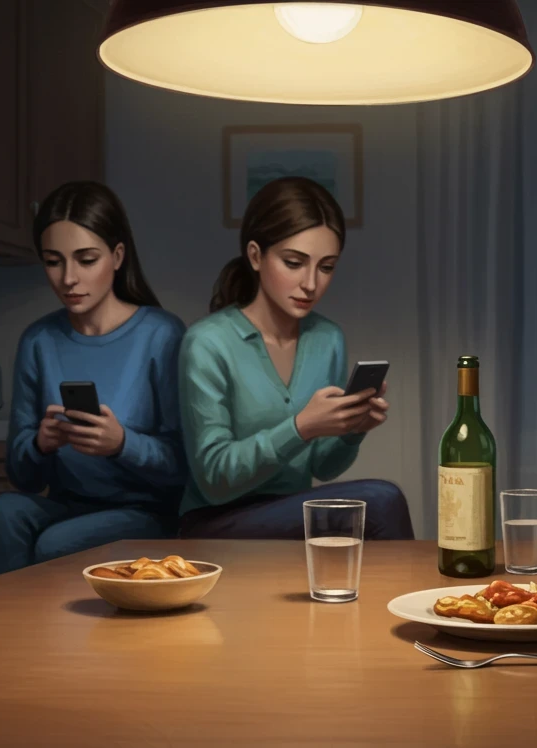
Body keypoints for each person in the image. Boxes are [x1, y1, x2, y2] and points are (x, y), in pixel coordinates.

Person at [176, 176, 414, 539]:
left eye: (326, 267)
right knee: (382, 500)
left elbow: (323, 465)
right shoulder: (208, 342)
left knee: (378, 503)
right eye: (293, 262)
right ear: (255, 256)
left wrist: (352, 430)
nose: (311, 284)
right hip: (216, 520)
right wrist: (300, 426)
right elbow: (214, 480)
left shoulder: (327, 338)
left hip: (292, 510)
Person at [0, 181, 188, 578]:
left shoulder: (162, 334)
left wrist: (122, 443)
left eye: (86, 259)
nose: (68, 278)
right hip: (67, 503)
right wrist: (40, 443)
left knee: (55, 543)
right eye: (53, 261)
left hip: (146, 514)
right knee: (0, 512)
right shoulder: (38, 340)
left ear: (117, 256)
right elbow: (22, 477)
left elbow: (185, 465)